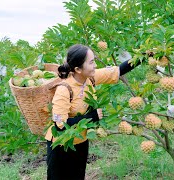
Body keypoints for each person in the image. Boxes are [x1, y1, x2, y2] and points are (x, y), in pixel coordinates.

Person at [45, 44, 140, 180]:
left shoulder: (90, 78)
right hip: (61, 146)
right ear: (78, 69)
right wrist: (91, 117)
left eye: (94, 61)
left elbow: (118, 70)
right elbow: (59, 125)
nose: (95, 65)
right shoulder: (64, 89)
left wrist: (144, 56)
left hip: (81, 141)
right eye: (91, 62)